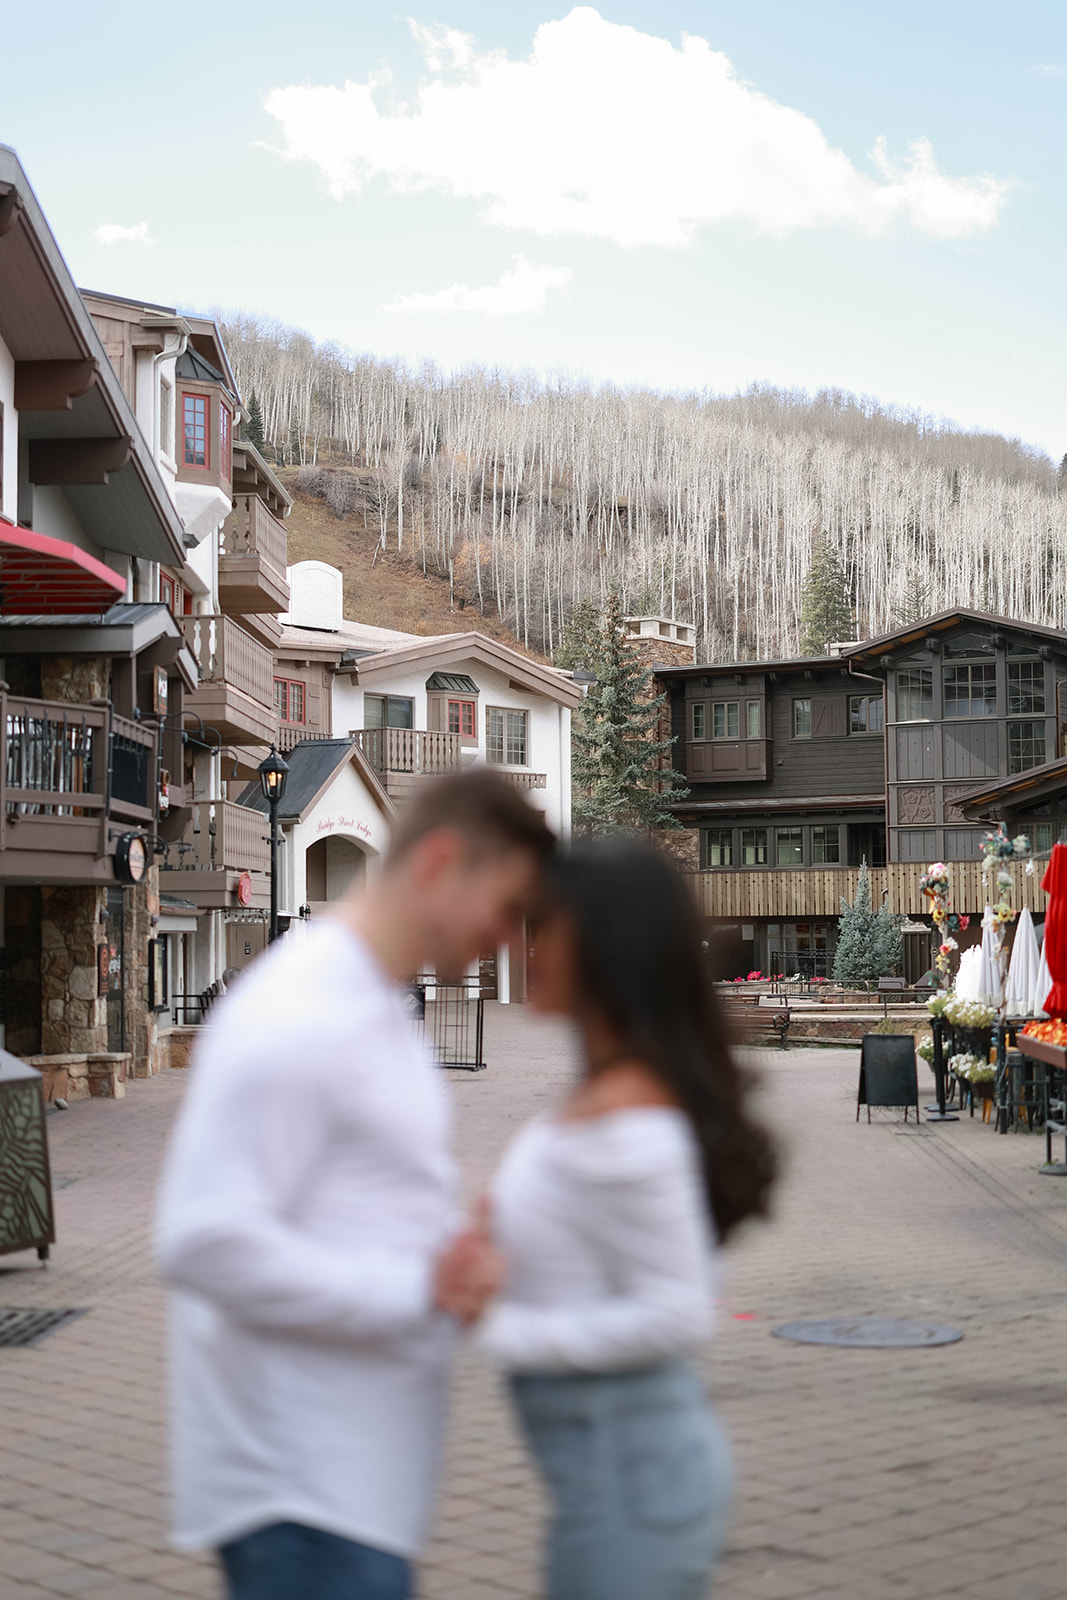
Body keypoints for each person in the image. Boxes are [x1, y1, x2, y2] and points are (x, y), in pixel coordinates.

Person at [155, 771, 553, 1600]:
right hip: (300, 1491)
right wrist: (418, 1287)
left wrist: (449, 1248)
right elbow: (203, 1239)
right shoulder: (301, 1014)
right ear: (441, 862)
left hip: (357, 1482)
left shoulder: (374, 1007)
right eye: (506, 905)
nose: (506, 938)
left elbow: (351, 1205)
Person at [477, 839, 777, 1600]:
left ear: (607, 944)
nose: (531, 945)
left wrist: (498, 1326)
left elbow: (676, 1312)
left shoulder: (633, 1118)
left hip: (633, 1492)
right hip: (610, 1483)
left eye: (550, 926)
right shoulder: (612, 1090)